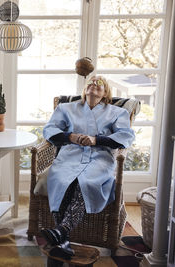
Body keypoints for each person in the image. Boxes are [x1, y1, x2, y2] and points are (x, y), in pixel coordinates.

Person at [41, 75, 135, 258]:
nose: (94, 84)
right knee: (61, 179)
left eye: (100, 83)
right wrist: (71, 137)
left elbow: (125, 137)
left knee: (89, 182)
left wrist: (96, 140)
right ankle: (63, 238)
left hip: (100, 157)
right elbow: (49, 130)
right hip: (71, 155)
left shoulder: (117, 112)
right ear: (85, 89)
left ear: (106, 92)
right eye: (91, 82)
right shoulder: (66, 108)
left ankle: (61, 232)